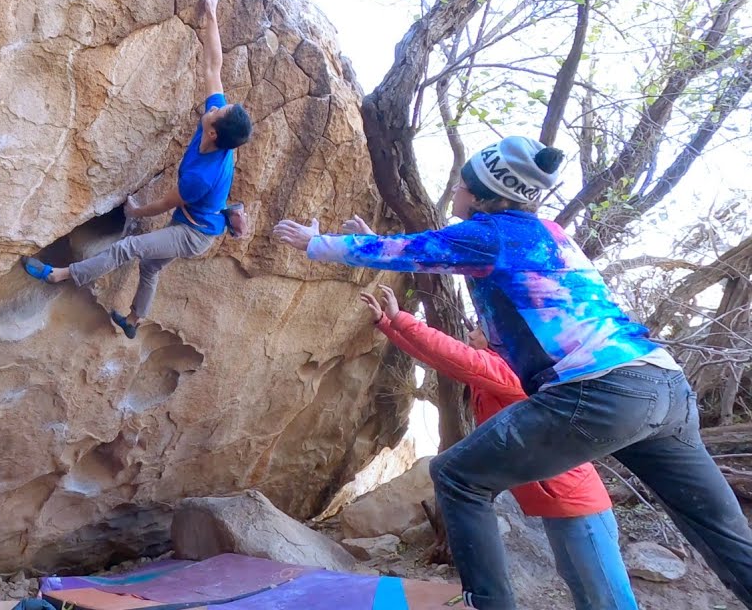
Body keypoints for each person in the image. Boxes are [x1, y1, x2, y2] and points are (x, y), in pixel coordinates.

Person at [273, 136, 752, 610]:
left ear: (484, 195)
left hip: (600, 391)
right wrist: (370, 240)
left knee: (457, 476)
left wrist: (317, 242)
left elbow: (411, 251)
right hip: (664, 386)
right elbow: (429, 250)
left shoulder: (493, 234)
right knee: (723, 533)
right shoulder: (549, 234)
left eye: (462, 185)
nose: (455, 191)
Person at [360, 283, 637, 610]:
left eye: (478, 328)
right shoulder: (489, 374)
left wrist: (402, 318)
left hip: (577, 503)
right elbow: (441, 359)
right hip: (555, 504)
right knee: (583, 588)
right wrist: (388, 325)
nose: (472, 332)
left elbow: (454, 354)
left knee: (606, 596)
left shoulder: (509, 371)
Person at [22, 0, 253, 339]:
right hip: (193, 218)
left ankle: (60, 274)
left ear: (213, 134)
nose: (216, 105)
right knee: (150, 267)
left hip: (194, 234)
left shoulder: (203, 176)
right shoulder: (215, 127)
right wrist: (212, 13)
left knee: (129, 248)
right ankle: (134, 320)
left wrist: (133, 211)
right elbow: (213, 68)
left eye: (219, 110)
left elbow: (163, 204)